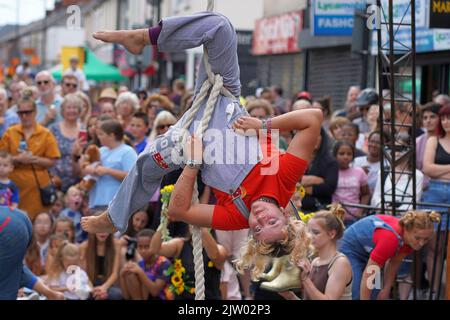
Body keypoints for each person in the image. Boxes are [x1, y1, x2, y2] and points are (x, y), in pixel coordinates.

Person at [81, 12, 321, 252]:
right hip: (223, 100)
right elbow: (313, 118)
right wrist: (263, 125)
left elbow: (179, 210)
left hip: (190, 142)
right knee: (220, 27)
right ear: (284, 214)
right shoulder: (284, 179)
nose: (259, 218)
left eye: (257, 229)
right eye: (271, 221)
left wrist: (194, 163)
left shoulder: (236, 216)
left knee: (145, 164)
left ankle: (113, 217)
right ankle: (143, 37)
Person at [339, 211, 440, 300]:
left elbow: (394, 264)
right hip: (351, 250)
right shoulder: (391, 239)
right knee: (356, 291)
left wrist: (386, 289)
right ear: (407, 230)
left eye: (426, 239)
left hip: (372, 252)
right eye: (418, 238)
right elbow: (370, 273)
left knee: (376, 291)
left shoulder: (409, 241)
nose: (421, 243)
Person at [0, 95, 61, 219]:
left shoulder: (45, 134)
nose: (24, 116)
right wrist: (18, 159)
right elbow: (1, 157)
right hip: (12, 190)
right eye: (20, 113)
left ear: (35, 112)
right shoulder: (10, 132)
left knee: (36, 225)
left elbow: (53, 160)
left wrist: (34, 159)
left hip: (37, 190)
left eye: (27, 112)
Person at [281, 205, 352, 300]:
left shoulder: (340, 263)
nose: (310, 236)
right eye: (309, 232)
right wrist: (290, 296)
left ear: (331, 234)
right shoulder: (315, 262)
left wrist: (305, 279)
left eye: (315, 232)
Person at [0, 206, 63, 300]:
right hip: (18, 216)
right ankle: (52, 295)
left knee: (4, 284)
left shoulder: (53, 244)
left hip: (7, 226)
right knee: (14, 268)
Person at [150, 226, 226, 300]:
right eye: (191, 222)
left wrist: (202, 227)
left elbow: (215, 256)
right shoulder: (180, 245)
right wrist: (164, 222)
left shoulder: (220, 249)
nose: (193, 225)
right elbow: (155, 249)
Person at [82, 119, 137, 212]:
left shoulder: (128, 152)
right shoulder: (100, 150)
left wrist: (107, 171)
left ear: (112, 135)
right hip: (96, 201)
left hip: (115, 203)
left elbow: (132, 176)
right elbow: (85, 168)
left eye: (101, 134)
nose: (98, 137)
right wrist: (89, 169)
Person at [120, 228, 173, 300]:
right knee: (130, 274)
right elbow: (126, 296)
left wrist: (140, 272)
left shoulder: (164, 263)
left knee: (143, 275)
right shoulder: (139, 262)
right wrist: (122, 275)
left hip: (160, 298)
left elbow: (155, 292)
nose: (143, 251)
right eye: (140, 247)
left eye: (147, 247)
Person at [49, 94, 84, 192]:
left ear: (79, 110)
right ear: (62, 110)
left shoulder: (84, 129)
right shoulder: (53, 129)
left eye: (74, 108)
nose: (71, 110)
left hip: (78, 182)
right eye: (68, 107)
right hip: (56, 181)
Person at [301, 128, 338, 213]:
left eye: (318, 136)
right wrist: (314, 180)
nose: (315, 138)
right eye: (311, 135)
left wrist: (301, 186)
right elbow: (291, 182)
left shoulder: (331, 162)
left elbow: (329, 188)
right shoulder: (298, 158)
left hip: (320, 210)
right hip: (298, 208)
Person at [332, 141, 369, 226]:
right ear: (335, 155)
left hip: (354, 218)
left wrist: (360, 211)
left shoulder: (359, 172)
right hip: (335, 218)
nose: (345, 157)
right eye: (341, 154)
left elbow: (366, 194)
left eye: (349, 154)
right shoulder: (331, 172)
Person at [79, 231, 122, 300]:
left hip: (108, 284)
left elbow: (115, 274)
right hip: (90, 284)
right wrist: (92, 290)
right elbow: (84, 274)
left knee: (116, 294)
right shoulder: (84, 246)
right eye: (99, 229)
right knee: (83, 294)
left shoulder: (116, 244)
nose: (103, 232)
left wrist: (104, 288)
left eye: (105, 229)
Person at [354, 130, 384, 195]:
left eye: (378, 143)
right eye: (372, 141)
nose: (374, 145)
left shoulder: (386, 166)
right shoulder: (356, 161)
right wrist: (359, 173)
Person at [25, 212, 53, 276]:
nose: (42, 225)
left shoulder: (54, 245)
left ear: (51, 227)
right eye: (39, 222)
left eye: (46, 222)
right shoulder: (27, 244)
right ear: (33, 225)